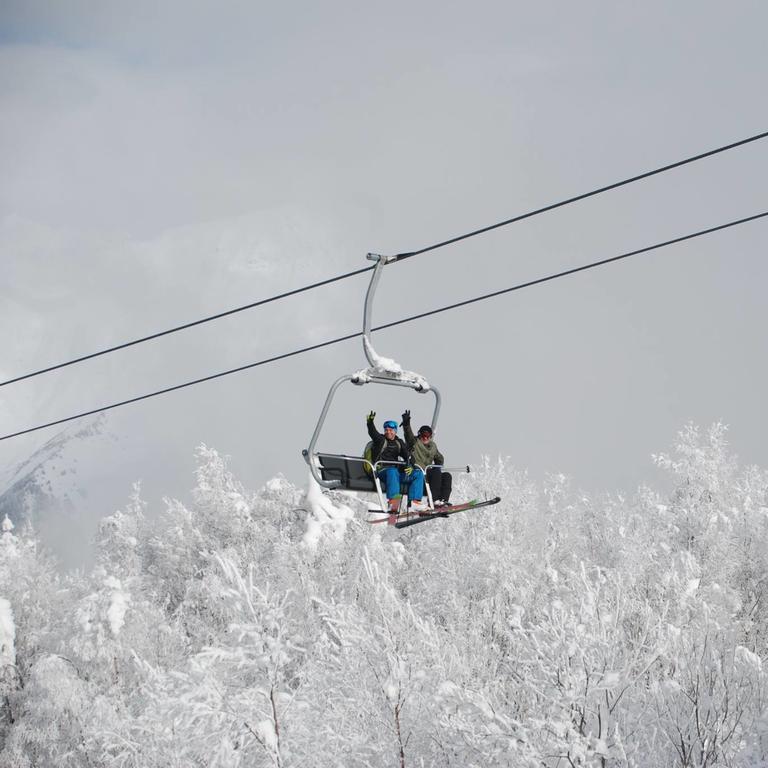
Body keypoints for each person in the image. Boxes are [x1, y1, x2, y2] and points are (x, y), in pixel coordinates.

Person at [366, 411, 426, 513]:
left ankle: (414, 503)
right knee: (392, 471)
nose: (388, 432)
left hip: (395, 473)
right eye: (386, 430)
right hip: (382, 471)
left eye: (391, 430)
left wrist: (410, 465)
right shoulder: (380, 440)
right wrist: (370, 423)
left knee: (418, 473)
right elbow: (373, 433)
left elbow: (409, 456)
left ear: (395, 431)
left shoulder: (399, 442)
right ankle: (394, 502)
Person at [402, 410, 452, 507]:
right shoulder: (414, 442)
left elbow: (439, 458)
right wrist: (406, 423)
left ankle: (443, 500)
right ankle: (434, 500)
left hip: (427, 472)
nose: (425, 438)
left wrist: (438, 462)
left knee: (447, 476)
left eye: (428, 436)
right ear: (419, 435)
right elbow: (408, 434)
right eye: (423, 435)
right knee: (436, 472)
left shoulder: (432, 446)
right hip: (417, 470)